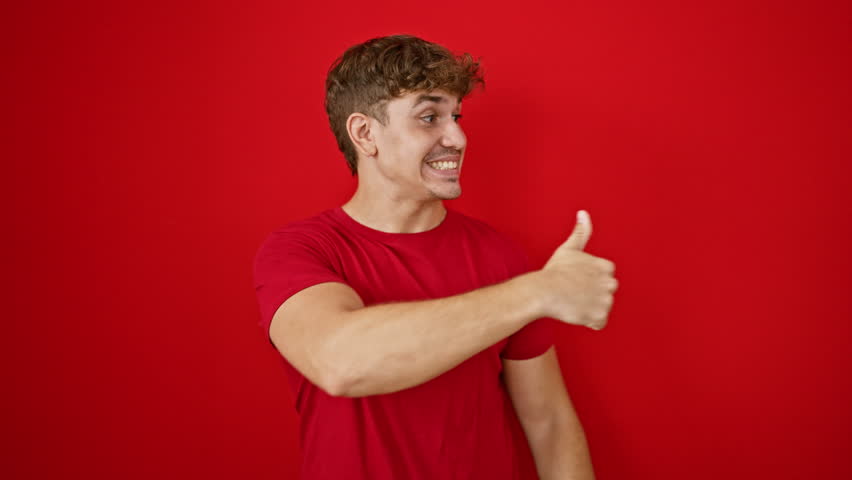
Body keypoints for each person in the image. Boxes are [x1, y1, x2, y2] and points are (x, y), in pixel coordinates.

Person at [253, 34, 618, 480]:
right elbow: (340, 363)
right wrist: (540, 291)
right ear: (365, 134)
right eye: (430, 117)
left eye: (456, 116)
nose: (458, 137)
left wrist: (536, 290)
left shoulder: (498, 255)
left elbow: (549, 424)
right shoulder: (301, 250)